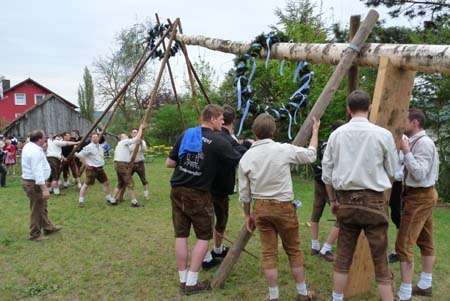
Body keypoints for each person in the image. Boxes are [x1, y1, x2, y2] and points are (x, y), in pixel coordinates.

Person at [321, 90, 398, 301]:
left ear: (348, 109)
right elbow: (394, 171)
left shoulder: (336, 135)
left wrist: (333, 201)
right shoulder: (383, 135)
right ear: (370, 107)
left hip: (346, 201)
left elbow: (326, 174)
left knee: (343, 259)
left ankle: (336, 299)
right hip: (375, 201)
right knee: (381, 261)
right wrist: (381, 192)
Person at [239, 113, 320, 301]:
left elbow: (244, 193)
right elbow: (311, 155)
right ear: (273, 131)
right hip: (284, 208)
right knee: (293, 249)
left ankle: (274, 296)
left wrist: (246, 215)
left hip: (261, 209)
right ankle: (302, 293)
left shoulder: (247, 157)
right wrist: (315, 132)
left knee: (268, 252)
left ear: (255, 132)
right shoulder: (283, 149)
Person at [165, 104, 241, 295]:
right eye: (221, 119)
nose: (223, 123)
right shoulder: (218, 141)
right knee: (203, 237)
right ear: (213, 119)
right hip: (197, 194)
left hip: (177, 189)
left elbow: (170, 163)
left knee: (181, 235)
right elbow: (238, 158)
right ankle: (192, 283)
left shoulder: (187, 134)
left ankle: (183, 279)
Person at [395, 108, 439, 301]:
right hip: (421, 196)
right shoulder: (414, 142)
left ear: (414, 122)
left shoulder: (424, 144)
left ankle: (404, 295)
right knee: (425, 241)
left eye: (405, 120)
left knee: (403, 245)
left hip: (420, 197)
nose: (401, 123)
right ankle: (425, 285)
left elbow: (419, 173)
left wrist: (406, 152)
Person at [202, 104, 253, 270]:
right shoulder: (223, 138)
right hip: (216, 185)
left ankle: (216, 249)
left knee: (214, 219)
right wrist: (247, 144)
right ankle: (206, 255)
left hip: (208, 184)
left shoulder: (209, 135)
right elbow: (238, 154)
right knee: (212, 220)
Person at [310, 120, 345, 262]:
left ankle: (314, 245)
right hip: (329, 183)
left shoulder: (326, 142)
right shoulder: (335, 144)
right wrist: (332, 198)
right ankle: (326, 249)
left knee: (316, 211)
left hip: (319, 181)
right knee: (342, 216)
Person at [21, 130, 62, 241]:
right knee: (37, 209)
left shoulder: (29, 146)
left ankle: (48, 227)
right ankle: (34, 234)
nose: (46, 139)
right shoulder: (35, 151)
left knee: (42, 206)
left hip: (31, 181)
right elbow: (37, 171)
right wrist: (44, 189)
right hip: (34, 183)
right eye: (44, 137)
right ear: (39, 139)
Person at [75, 132, 114, 208]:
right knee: (86, 185)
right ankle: (81, 201)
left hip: (100, 169)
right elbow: (79, 155)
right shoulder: (89, 147)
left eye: (96, 137)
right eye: (93, 137)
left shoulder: (99, 146)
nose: (95, 138)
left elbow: (104, 149)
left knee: (106, 183)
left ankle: (109, 199)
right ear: (91, 138)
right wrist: (86, 164)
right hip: (92, 169)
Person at [112, 124, 146, 207]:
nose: (127, 136)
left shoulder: (120, 145)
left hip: (118, 164)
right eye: (125, 136)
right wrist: (141, 128)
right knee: (130, 183)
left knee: (120, 183)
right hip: (122, 165)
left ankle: (113, 200)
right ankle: (134, 202)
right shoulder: (123, 142)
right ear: (122, 138)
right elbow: (137, 138)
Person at [387, 148, 405, 264]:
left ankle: (397, 251)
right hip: (381, 181)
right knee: (378, 215)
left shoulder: (404, 140)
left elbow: (403, 164)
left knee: (397, 216)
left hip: (396, 184)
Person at [129, 128, 149, 200]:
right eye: (133, 132)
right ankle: (123, 194)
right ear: (131, 134)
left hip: (140, 163)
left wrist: (141, 144)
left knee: (143, 179)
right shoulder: (129, 142)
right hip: (131, 164)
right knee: (126, 179)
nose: (135, 134)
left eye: (136, 132)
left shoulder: (142, 141)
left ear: (138, 133)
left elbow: (145, 150)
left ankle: (146, 195)